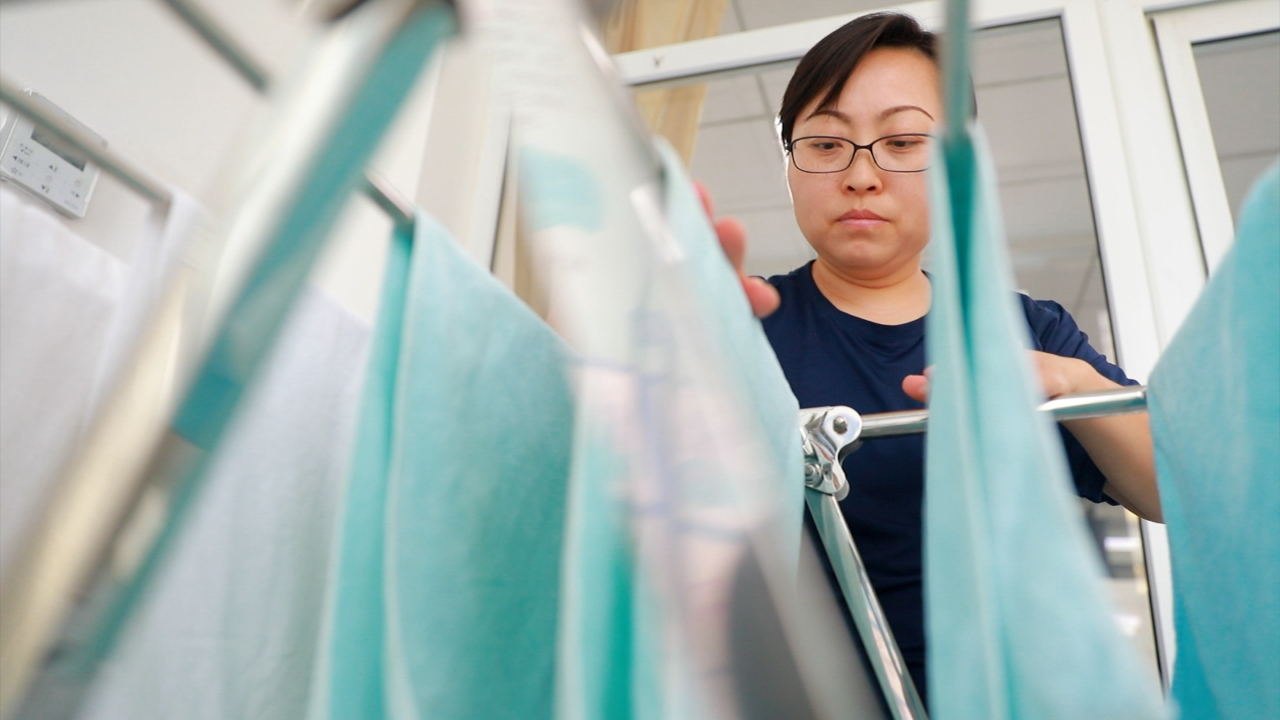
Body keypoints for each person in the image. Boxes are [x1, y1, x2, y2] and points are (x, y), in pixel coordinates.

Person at [700, 11, 1164, 707]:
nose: (861, 175)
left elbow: (1164, 491)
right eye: (825, 143)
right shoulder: (741, 326)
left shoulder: (1025, 329)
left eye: (902, 142)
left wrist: (1066, 381)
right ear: (791, 165)